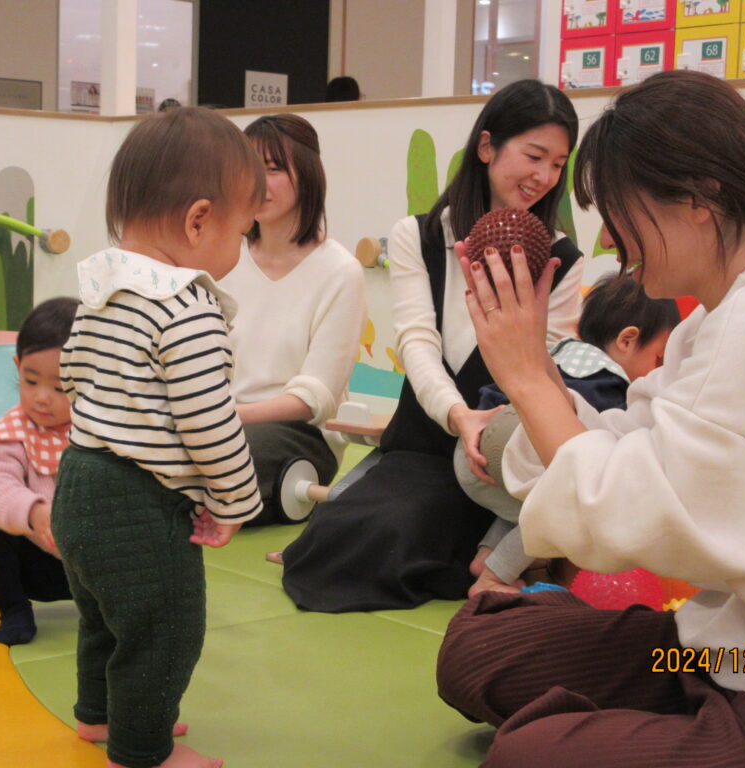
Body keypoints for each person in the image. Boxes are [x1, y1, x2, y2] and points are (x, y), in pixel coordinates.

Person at [438, 70, 745, 767]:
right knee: (479, 647)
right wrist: (534, 376)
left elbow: (653, 516)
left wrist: (525, 376)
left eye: (621, 211)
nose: (609, 238)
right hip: (725, 649)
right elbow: (630, 440)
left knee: (531, 756)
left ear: (700, 199)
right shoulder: (736, 306)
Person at [281, 79, 585, 612]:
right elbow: (417, 342)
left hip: (499, 458)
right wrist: (459, 417)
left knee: (404, 537)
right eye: (534, 155)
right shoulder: (418, 236)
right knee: (338, 537)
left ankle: (499, 546)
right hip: (426, 439)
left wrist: (490, 432)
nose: (544, 176)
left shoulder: (561, 259)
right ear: (487, 147)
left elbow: (548, 368)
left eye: (557, 164)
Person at [52, 107, 265, 768]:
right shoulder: (185, 307)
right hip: (135, 500)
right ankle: (140, 751)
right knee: (163, 626)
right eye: (243, 231)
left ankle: (99, 715)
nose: (243, 249)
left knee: (102, 615)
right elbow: (209, 420)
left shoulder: (103, 289)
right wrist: (233, 501)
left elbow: (73, 376)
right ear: (199, 220)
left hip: (79, 478)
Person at [458, 273, 680, 596]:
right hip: (508, 437)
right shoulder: (608, 382)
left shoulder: (564, 352)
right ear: (627, 340)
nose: (658, 370)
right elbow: (592, 451)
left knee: (532, 498)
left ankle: (487, 555)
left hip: (475, 446)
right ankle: (493, 578)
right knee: (564, 502)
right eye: (659, 357)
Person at [219, 113, 366, 525]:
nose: (259, 184)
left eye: (274, 169)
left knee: (227, 455)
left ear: (308, 174)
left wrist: (219, 418)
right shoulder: (222, 256)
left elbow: (312, 400)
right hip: (217, 419)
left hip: (296, 434)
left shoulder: (340, 271)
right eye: (249, 170)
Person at [0, 296, 78, 646]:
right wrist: (33, 511)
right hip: (35, 561)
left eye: (60, 387)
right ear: (17, 367)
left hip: (94, 564)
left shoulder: (104, 430)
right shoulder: (12, 432)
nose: (42, 397)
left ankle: (113, 609)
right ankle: (13, 607)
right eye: (31, 381)